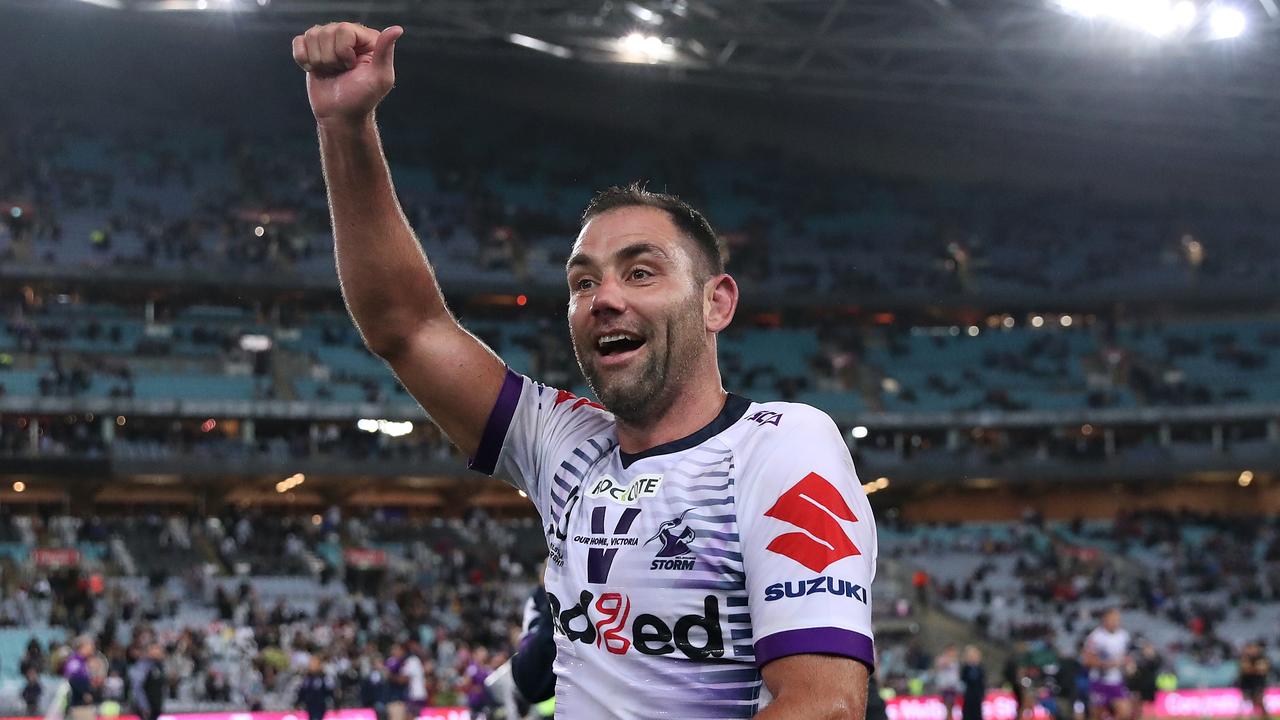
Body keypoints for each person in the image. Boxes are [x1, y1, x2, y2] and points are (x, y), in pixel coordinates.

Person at [292, 20, 878, 719]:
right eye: (582, 282)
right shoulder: (563, 445)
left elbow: (824, 705)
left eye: (641, 271)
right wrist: (345, 125)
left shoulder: (780, 446)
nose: (605, 299)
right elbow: (408, 327)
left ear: (716, 302)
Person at [1082, 608, 1132, 720]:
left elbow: (1125, 655)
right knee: (1097, 714)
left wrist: (1128, 663)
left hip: (1115, 680)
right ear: (1105, 620)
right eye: (1112, 619)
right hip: (1099, 681)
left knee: (1125, 713)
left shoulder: (1123, 635)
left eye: (1117, 619)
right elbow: (1086, 660)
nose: (1115, 622)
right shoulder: (1096, 637)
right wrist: (1106, 664)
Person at [1237, 641, 1269, 720]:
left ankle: (1265, 717)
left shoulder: (1262, 658)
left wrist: (1251, 669)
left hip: (1258, 682)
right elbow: (1244, 669)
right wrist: (1255, 669)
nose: (1252, 651)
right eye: (1250, 649)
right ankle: (1242, 717)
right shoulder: (1244, 658)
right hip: (1246, 683)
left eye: (1254, 648)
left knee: (1259, 701)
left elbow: (1262, 670)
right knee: (1245, 701)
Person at [296, 654, 333, 720]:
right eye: (311, 663)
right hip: (309, 707)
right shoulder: (306, 678)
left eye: (315, 663)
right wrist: (299, 702)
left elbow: (330, 691)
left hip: (320, 707)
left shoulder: (324, 678)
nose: (312, 665)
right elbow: (301, 692)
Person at [935, 645, 962, 720]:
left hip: (953, 687)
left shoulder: (956, 662)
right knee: (948, 707)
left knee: (952, 707)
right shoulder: (943, 659)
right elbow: (941, 666)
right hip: (946, 687)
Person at [960, 646, 986, 720]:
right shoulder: (966, 668)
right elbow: (963, 679)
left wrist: (982, 692)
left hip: (978, 694)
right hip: (968, 694)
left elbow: (982, 681)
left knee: (977, 712)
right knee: (968, 712)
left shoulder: (980, 667)